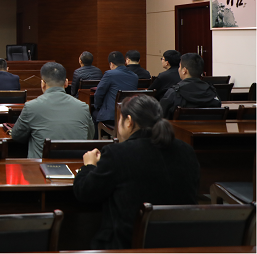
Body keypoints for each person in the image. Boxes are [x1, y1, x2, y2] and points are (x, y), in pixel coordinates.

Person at [73, 95, 199, 250]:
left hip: (127, 244)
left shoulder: (117, 154)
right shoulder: (186, 151)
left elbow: (85, 192)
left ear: (129, 121)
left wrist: (89, 165)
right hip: (181, 243)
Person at [10, 62, 93, 158]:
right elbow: (89, 136)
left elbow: (16, 136)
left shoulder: (31, 106)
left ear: (43, 83)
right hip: (76, 165)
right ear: (66, 83)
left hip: (41, 166)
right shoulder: (83, 107)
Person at [160, 53, 221, 119]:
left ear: (184, 70)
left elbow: (161, 118)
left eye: (179, 67)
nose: (178, 69)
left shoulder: (173, 93)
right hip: (209, 126)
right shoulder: (212, 92)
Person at [93, 51, 138, 137]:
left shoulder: (109, 74)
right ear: (124, 62)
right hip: (128, 115)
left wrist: (98, 107)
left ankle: (98, 142)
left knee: (94, 114)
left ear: (111, 64)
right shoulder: (134, 76)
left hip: (111, 117)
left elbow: (98, 94)